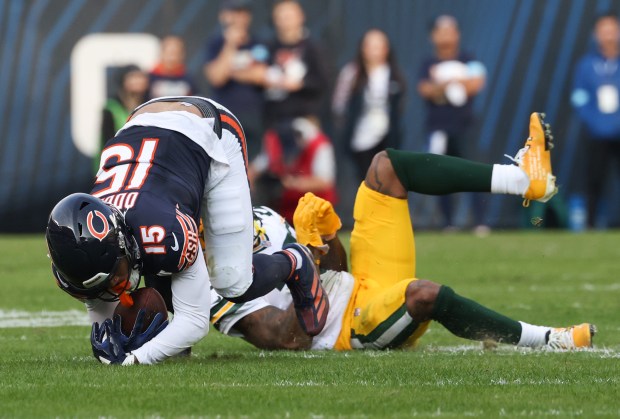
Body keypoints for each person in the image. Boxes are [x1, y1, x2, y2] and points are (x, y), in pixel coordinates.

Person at [174, 112, 594, 352]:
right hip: (348, 326)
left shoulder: (262, 215)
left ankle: (522, 179)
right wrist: (308, 262)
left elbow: (335, 268)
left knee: (385, 167)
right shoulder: (204, 278)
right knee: (424, 294)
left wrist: (326, 237)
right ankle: (547, 339)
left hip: (361, 281)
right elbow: (287, 337)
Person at [45, 96, 329, 365]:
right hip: (149, 132)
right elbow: (97, 300)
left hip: (209, 129)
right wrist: (107, 342)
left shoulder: (161, 230)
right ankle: (174, 347)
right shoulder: (83, 248)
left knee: (231, 280)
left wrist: (137, 357)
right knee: (154, 262)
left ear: (120, 242)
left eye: (116, 277)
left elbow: (195, 320)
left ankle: (295, 260)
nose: (118, 288)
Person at [417, 15, 487, 232]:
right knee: (442, 175)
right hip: (439, 128)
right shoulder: (428, 63)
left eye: (450, 30)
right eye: (441, 31)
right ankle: (448, 222)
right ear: (433, 36)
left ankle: (481, 222)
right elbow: (425, 90)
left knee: (474, 172)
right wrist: (449, 85)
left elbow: (476, 84)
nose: (446, 35)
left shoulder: (469, 59)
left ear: (457, 34)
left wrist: (444, 87)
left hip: (464, 126)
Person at [260, 0, 328, 173]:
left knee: (305, 172)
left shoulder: (312, 48)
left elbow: (322, 82)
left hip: (304, 120)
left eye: (289, 15)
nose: (285, 20)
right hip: (273, 121)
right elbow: (252, 69)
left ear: (301, 17)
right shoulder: (267, 47)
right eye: (280, 16)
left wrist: (298, 84)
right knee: (275, 172)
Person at [332, 28, 406, 181]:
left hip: (386, 137)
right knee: (365, 180)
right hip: (360, 137)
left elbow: (399, 105)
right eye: (370, 46)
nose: (374, 51)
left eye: (378, 46)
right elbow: (339, 104)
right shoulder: (352, 73)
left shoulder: (393, 74)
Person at [571, 12, 620, 229]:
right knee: (593, 181)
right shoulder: (586, 65)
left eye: (612, 29)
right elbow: (578, 98)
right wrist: (595, 122)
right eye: (603, 30)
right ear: (595, 34)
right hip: (596, 132)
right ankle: (590, 226)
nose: (608, 35)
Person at [204, 0, 268, 160]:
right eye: (233, 12)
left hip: (254, 116)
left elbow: (262, 76)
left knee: (252, 165)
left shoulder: (258, 43)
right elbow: (217, 77)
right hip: (224, 116)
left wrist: (231, 71)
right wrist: (230, 44)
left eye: (242, 12)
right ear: (223, 16)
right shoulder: (215, 44)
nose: (238, 18)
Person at [249, 116, 337, 223]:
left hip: (315, 212)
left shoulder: (320, 145)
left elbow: (325, 182)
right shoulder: (274, 142)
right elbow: (254, 169)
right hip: (288, 212)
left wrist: (294, 184)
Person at [96, 65, 149, 174]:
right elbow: (107, 142)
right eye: (133, 77)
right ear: (124, 81)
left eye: (140, 77)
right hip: (114, 166)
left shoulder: (150, 106)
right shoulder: (111, 108)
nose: (139, 81)